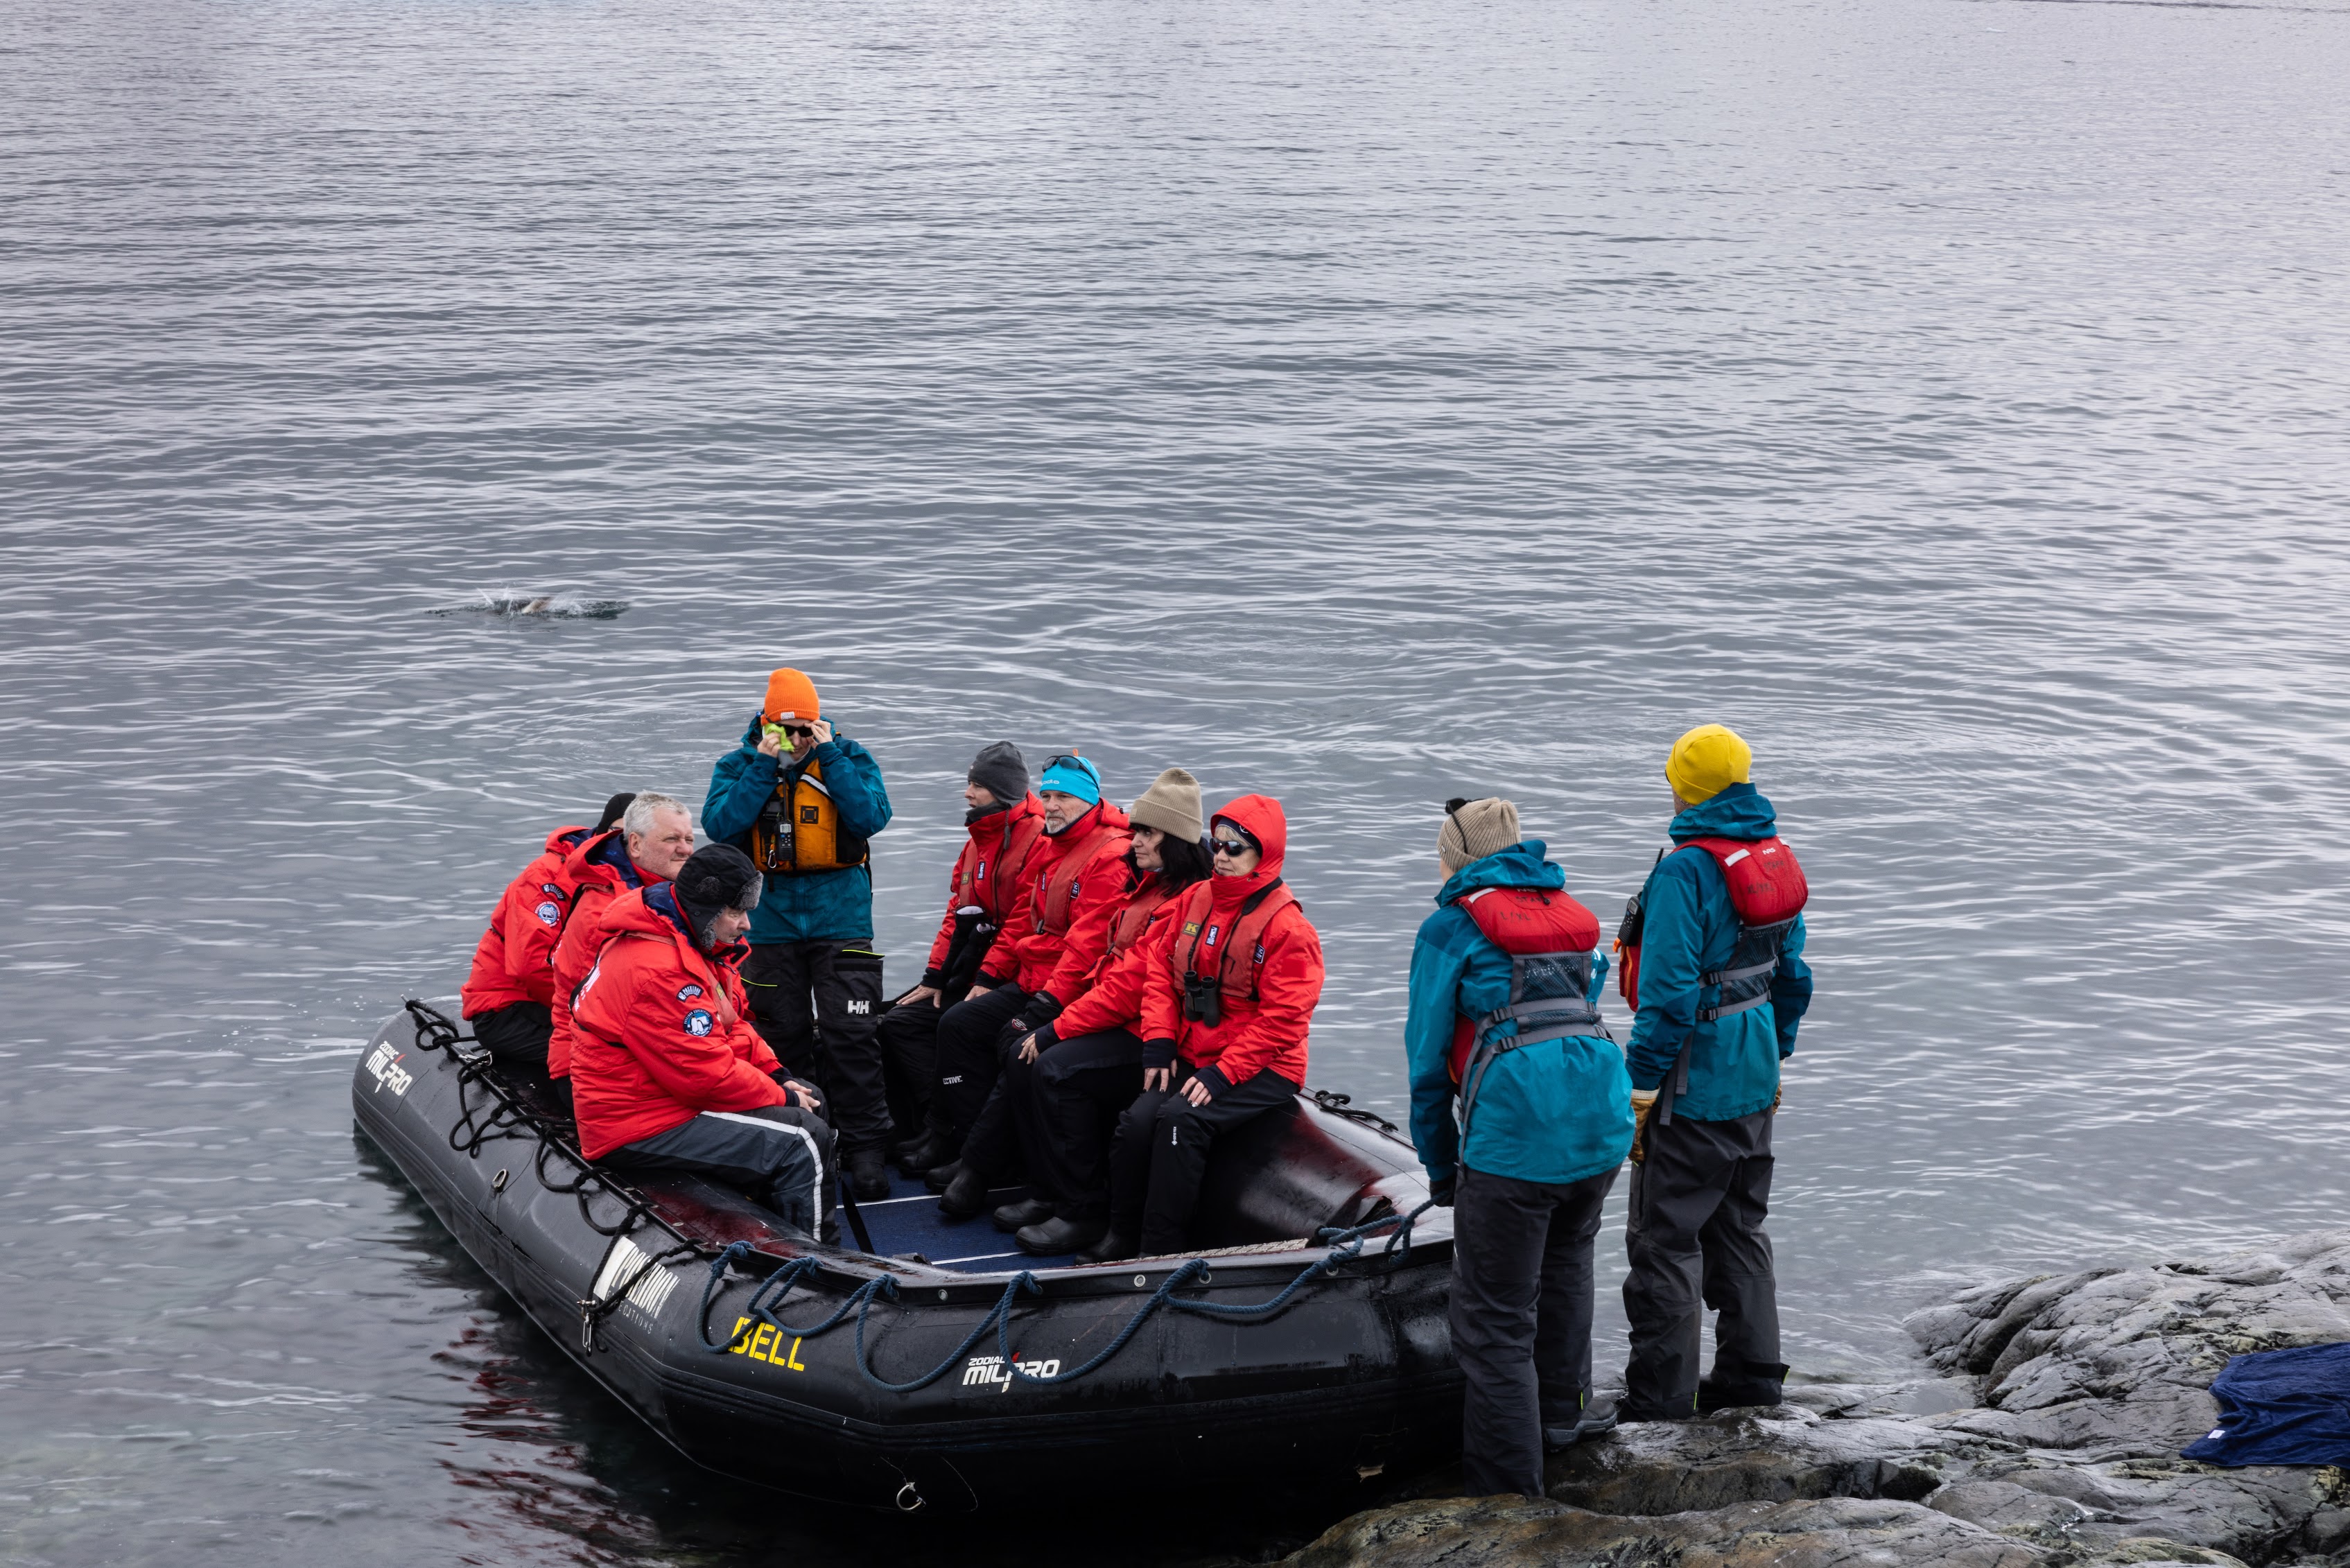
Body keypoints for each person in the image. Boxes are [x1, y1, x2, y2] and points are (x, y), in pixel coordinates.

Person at [1404, 796, 1636, 1499]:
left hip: (1514, 1141)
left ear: (1461, 857)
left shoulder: (1452, 927)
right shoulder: (1568, 916)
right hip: (1598, 1124)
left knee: (1495, 1323)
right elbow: (1589, 990)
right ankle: (1561, 1429)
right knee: (1566, 1276)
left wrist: (1443, 1167)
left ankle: (1508, 1498)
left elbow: (1425, 1060)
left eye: (1442, 851)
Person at [1617, 724, 1813, 1422]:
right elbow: (1793, 976)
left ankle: (1661, 1402)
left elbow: (1667, 997)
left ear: (1682, 786)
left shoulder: (1686, 871)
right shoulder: (1775, 857)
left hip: (1692, 1086)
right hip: (1755, 1072)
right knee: (1740, 1231)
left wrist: (1639, 1089)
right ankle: (1754, 1383)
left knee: (1665, 1240)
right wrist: (1778, 1051)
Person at [569, 845, 837, 1234]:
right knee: (802, 1138)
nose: (746, 924)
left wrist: (777, 1076)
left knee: (811, 1096)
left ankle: (772, 1224)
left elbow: (730, 1026)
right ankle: (819, 1263)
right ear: (704, 909)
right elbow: (704, 1076)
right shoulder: (659, 970)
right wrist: (784, 1097)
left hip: (659, 1099)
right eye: (735, 912)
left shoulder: (685, 944)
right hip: (634, 1119)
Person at [999, 767, 1211, 1257]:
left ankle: (1083, 1210)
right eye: (1135, 828)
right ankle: (1051, 1191)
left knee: (1054, 1067)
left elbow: (1130, 985)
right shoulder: (1151, 886)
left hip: (1146, 1031)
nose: (1134, 839)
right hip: (1127, 1020)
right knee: (1022, 1055)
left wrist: (1058, 1027)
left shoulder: (1177, 900)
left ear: (1175, 838)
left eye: (1148, 832)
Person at [1103, 794, 1323, 1261]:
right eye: (1216, 845)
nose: (1219, 856)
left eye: (1233, 849)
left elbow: (1285, 1020)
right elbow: (1160, 970)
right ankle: (1119, 1234)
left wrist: (1224, 1074)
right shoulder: (1198, 898)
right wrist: (1160, 1044)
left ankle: (1159, 1255)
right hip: (1196, 1050)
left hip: (1265, 1067)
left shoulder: (1289, 930)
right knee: (1138, 1124)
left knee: (1182, 1122)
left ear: (1263, 856)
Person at [703, 668, 895, 1201]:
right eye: (782, 727)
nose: (793, 739)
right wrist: (765, 766)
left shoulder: (848, 756)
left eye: (802, 727)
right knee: (779, 1036)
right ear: (764, 722)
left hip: (843, 918)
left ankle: (867, 1148)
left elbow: (872, 816)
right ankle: (810, 1142)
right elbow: (720, 827)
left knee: (852, 1035)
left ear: (818, 721)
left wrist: (827, 756)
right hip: (769, 923)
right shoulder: (739, 764)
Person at [929, 753, 1131, 1217]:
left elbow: (1085, 948)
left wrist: (1045, 1004)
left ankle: (981, 1166)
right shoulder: (1048, 844)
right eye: (1048, 795)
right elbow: (1022, 918)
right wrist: (987, 976)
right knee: (957, 1024)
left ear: (1088, 801)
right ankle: (972, 1145)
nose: (1053, 805)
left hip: (1068, 991)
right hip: (1030, 978)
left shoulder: (1109, 856)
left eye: (1063, 797)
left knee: (1017, 1045)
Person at [882, 742, 1047, 1176]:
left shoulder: (1037, 840)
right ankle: (941, 1121)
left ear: (1002, 792)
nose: (967, 793)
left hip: (1009, 972)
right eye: (970, 783)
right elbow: (956, 912)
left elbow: (1023, 923)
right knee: (899, 1023)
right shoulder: (977, 840)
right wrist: (935, 976)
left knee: (958, 1023)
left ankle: (961, 1138)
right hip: (973, 963)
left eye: (976, 785)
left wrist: (989, 979)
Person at [460, 792, 635, 1068]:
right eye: (617, 831)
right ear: (603, 830)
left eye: (636, 836)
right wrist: (597, 1015)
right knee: (611, 1061)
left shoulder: (631, 882)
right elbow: (532, 966)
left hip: (575, 1006)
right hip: (510, 1007)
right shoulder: (548, 877)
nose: (624, 842)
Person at [543, 792, 698, 1091]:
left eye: (689, 840)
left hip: (641, 1048)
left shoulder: (663, 896)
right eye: (671, 840)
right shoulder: (605, 913)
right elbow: (612, 1013)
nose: (685, 850)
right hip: (593, 1068)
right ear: (636, 844)